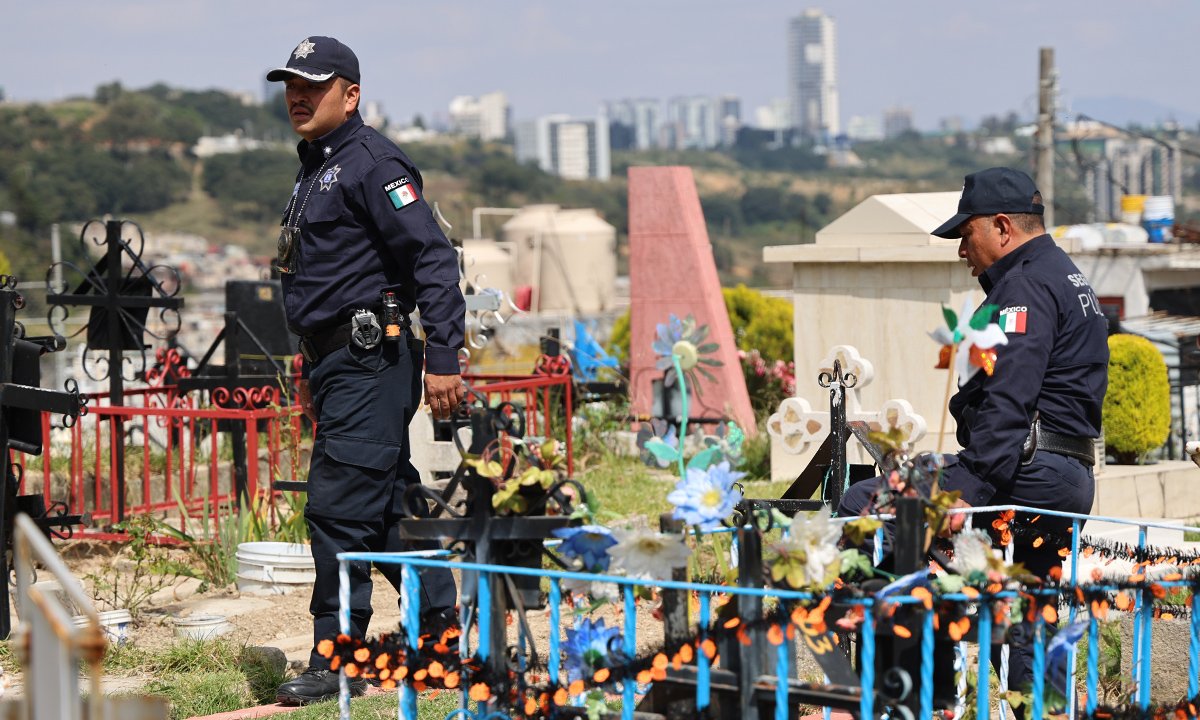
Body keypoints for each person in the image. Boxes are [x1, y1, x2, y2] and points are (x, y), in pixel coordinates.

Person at [839, 167, 1109, 702]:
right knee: (1022, 620)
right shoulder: (1064, 275)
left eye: (967, 234)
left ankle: (916, 694)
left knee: (868, 505)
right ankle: (1042, 708)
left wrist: (963, 495)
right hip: (1063, 476)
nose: (962, 249)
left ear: (1003, 227)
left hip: (1020, 471)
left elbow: (1009, 403)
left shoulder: (1024, 287)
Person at [265, 36, 465, 705]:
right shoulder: (320, 165)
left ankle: (336, 658)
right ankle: (441, 640)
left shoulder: (373, 163)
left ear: (350, 94)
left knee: (335, 510)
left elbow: (432, 257)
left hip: (369, 361)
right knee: (381, 505)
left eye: (314, 85)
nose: (298, 95)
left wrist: (443, 356)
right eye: (292, 84)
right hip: (338, 364)